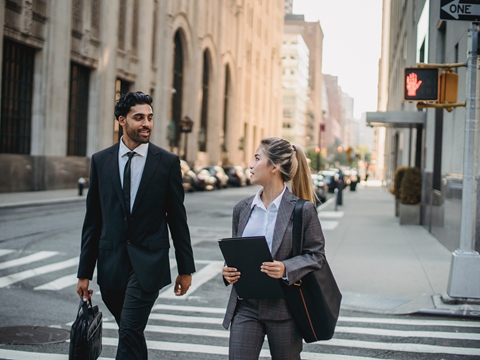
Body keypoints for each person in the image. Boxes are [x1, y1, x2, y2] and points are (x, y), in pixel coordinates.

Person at [76, 91, 196, 359]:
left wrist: (185, 269)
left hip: (149, 264)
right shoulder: (101, 161)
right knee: (131, 333)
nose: (147, 124)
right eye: (139, 117)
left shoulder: (166, 162)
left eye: (150, 118)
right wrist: (84, 272)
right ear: (122, 120)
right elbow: (93, 220)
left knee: (129, 330)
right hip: (111, 266)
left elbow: (178, 219)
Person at [222, 137, 326, 359]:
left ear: (275, 167)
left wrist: (285, 268)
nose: (250, 164)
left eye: (257, 158)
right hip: (245, 307)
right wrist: (227, 271)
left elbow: (316, 255)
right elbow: (236, 253)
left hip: (285, 309)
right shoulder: (242, 209)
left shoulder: (302, 210)